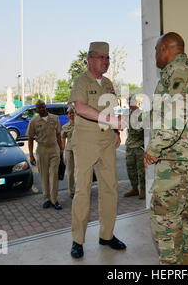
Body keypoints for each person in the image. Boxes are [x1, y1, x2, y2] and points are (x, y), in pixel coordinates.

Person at [143, 32, 188, 265]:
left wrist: (153, 149)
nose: (155, 56)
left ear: (165, 49)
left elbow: (175, 118)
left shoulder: (179, 70)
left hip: (178, 159)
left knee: (164, 218)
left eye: (155, 50)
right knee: (185, 212)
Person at [68, 41, 128, 259]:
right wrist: (112, 121)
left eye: (108, 58)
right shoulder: (81, 81)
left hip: (106, 143)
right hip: (85, 141)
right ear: (90, 59)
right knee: (83, 190)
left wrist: (115, 134)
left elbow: (110, 108)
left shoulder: (109, 84)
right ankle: (78, 240)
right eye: (101, 58)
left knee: (110, 189)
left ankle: (107, 235)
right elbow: (80, 108)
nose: (106, 62)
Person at [27, 100, 65, 210]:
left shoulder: (54, 118)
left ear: (45, 106)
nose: (41, 109)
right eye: (39, 108)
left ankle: (54, 200)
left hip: (54, 149)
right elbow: (30, 139)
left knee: (54, 175)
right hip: (42, 150)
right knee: (44, 176)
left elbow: (58, 135)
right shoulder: (33, 121)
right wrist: (31, 155)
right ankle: (46, 199)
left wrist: (61, 150)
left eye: (42, 107)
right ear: (36, 109)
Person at [124, 95, 145, 199]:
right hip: (130, 146)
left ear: (137, 102)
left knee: (141, 170)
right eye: (129, 102)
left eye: (132, 101)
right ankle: (134, 188)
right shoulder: (128, 114)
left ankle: (143, 190)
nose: (130, 104)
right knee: (130, 169)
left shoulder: (142, 114)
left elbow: (143, 129)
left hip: (139, 146)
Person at [61, 106, 76, 198]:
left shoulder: (81, 124)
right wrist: (62, 153)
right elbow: (63, 140)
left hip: (80, 150)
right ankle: (71, 191)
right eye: (69, 113)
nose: (71, 115)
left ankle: (81, 189)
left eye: (72, 112)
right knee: (70, 172)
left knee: (81, 171)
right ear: (67, 115)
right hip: (69, 151)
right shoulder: (65, 126)